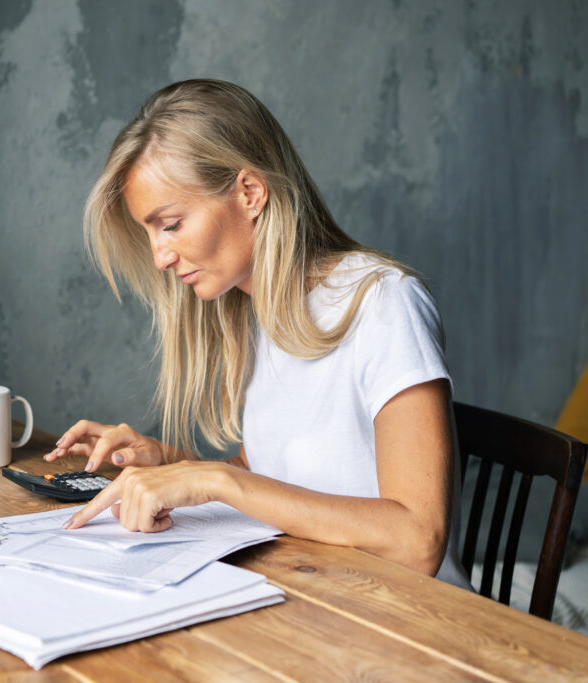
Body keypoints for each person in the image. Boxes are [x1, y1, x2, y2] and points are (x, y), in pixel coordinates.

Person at [44, 79, 468, 586]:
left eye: (171, 224)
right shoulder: (252, 310)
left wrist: (215, 479)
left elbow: (418, 542)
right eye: (149, 232)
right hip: (313, 598)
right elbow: (281, 474)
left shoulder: (383, 302)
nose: (159, 257)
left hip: (410, 627)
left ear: (250, 192)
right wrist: (171, 464)